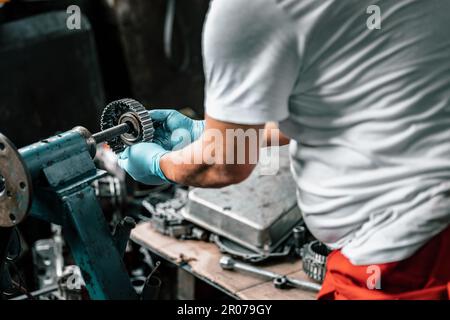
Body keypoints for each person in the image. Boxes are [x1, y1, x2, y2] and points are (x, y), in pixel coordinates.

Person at [118, 0, 450, 299]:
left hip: (404, 257)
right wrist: (214, 131)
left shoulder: (246, 10)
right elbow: (343, 102)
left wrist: (160, 164)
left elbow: (222, 164)